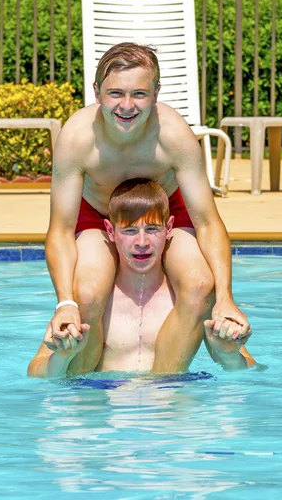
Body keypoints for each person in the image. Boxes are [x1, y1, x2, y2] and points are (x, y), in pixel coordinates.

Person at [45, 42, 251, 374]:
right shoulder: (76, 138)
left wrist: (225, 296)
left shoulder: (172, 134)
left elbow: (209, 222)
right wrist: (65, 303)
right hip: (99, 217)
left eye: (139, 94)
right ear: (97, 92)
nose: (127, 105)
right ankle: (81, 392)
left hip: (163, 212)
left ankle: (164, 387)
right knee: (86, 292)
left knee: (200, 284)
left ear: (156, 93)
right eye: (115, 93)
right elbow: (60, 231)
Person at [28, 179, 255, 378]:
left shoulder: (191, 301)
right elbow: (36, 370)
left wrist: (230, 356)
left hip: (170, 412)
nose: (142, 242)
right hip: (102, 410)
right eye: (129, 231)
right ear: (109, 230)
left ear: (169, 229)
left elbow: (252, 370)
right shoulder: (91, 300)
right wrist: (62, 358)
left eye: (153, 229)